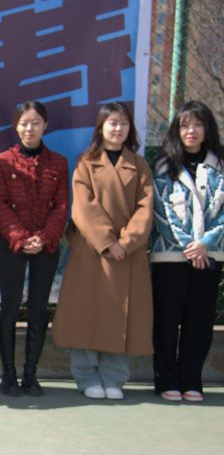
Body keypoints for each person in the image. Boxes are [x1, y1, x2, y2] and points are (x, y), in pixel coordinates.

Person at [52, 102, 153, 400]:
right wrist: (108, 242)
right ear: (100, 127)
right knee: (85, 314)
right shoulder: (85, 163)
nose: (118, 128)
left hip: (128, 254)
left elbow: (145, 209)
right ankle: (86, 377)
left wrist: (126, 242)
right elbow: (82, 207)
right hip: (92, 251)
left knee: (122, 316)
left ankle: (114, 378)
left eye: (123, 123)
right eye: (112, 123)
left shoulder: (140, 165)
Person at [0, 101, 69, 396]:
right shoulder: (2, 162)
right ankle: (8, 374)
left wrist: (44, 238)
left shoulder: (58, 163)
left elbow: (62, 205)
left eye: (36, 122)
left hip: (46, 247)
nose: (29, 129)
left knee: (38, 309)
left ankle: (31, 374)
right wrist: (22, 239)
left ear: (45, 125)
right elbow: (0, 204)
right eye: (24, 123)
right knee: (9, 308)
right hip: (11, 244)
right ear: (16, 126)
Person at [149, 101, 224, 403]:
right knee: (166, 320)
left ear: (208, 129)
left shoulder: (220, 165)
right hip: (170, 257)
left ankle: (192, 380)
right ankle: (166, 379)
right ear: (176, 130)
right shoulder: (164, 165)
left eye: (197, 124)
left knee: (199, 321)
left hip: (210, 255)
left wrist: (205, 243)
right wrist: (188, 246)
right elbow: (161, 211)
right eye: (184, 125)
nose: (191, 131)